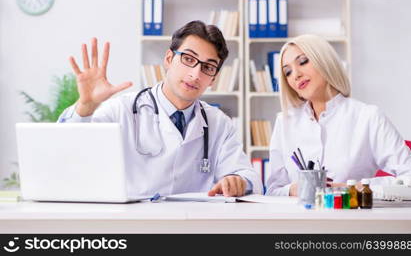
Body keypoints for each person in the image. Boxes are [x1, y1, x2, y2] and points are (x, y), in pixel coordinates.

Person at [59, 20, 262, 197]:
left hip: (192, 227)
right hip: (133, 226)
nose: (195, 74)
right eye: (188, 59)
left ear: (213, 78)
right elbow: (69, 152)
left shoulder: (218, 123)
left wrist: (238, 181)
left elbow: (248, 176)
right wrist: (85, 106)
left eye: (207, 67)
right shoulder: (123, 110)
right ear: (168, 59)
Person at [266, 34, 411, 196]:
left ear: (324, 61)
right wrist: (293, 190)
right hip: (298, 219)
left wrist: (354, 189)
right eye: (287, 72)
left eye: (303, 62)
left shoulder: (368, 117)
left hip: (351, 219)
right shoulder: (284, 122)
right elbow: (273, 191)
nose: (296, 75)